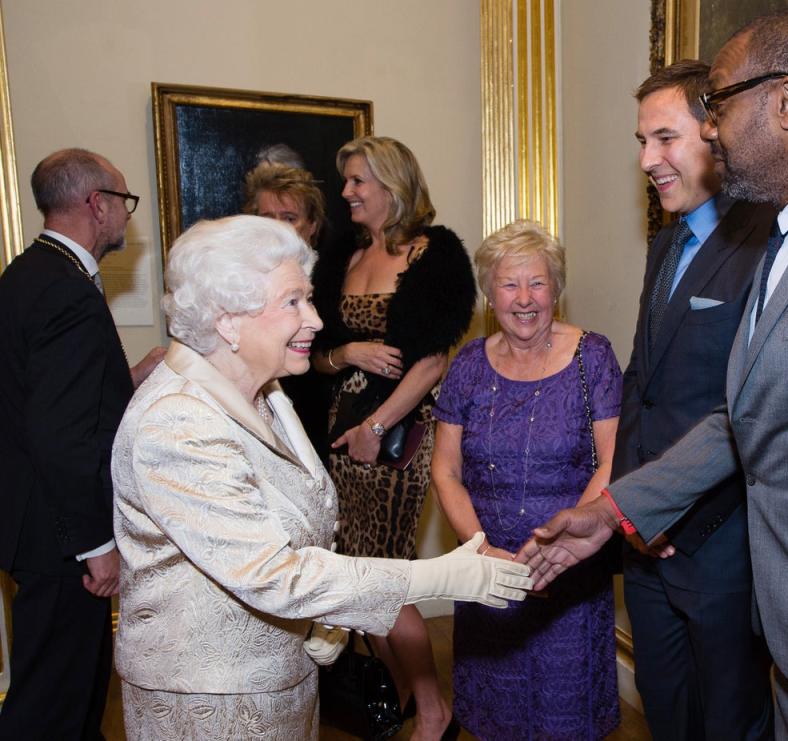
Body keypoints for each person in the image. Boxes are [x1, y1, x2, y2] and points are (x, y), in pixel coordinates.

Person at [518, 8, 788, 739]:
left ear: (786, 102)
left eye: (719, 102)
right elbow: (743, 413)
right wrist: (611, 511)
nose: (711, 128)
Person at [110, 215, 531, 740]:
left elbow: (299, 518)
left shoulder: (264, 392)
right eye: (293, 302)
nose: (314, 319)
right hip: (209, 700)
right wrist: (446, 576)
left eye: (309, 299)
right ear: (227, 320)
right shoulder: (177, 422)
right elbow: (274, 574)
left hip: (280, 681)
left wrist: (322, 619)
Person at [618, 60, 773, 740]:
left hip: (718, 547)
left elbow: (754, 412)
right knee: (665, 710)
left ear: (716, 132)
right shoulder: (665, 242)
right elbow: (641, 385)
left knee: (731, 721)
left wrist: (681, 521)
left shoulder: (769, 241)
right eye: (641, 142)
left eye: (664, 138)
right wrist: (630, 508)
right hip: (644, 548)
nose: (648, 160)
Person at [431, 219, 622, 740]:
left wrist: (562, 543)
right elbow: (445, 469)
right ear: (489, 293)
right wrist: (481, 550)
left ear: (556, 289)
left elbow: (611, 461)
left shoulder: (593, 357)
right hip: (486, 567)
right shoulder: (469, 364)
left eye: (537, 283)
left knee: (568, 714)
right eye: (509, 284)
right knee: (494, 713)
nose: (524, 298)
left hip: (570, 569)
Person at [312, 136, 476, 739]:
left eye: (358, 181)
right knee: (355, 575)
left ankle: (434, 712)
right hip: (341, 434)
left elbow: (432, 360)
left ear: (392, 184)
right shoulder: (344, 256)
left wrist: (374, 429)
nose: (347, 192)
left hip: (398, 433)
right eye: (347, 181)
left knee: (380, 576)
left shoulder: (434, 254)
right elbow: (317, 353)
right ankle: (404, 694)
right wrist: (345, 352)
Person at [0, 148, 164, 740]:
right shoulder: (66, 291)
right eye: (123, 201)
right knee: (52, 704)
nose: (127, 215)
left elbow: (44, 400)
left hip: (35, 521)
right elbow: (62, 438)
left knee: (72, 692)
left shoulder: (29, 274)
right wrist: (96, 544)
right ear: (97, 204)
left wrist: (130, 378)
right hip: (60, 533)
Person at [244, 161, 332, 456]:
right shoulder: (239, 280)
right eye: (268, 217)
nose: (278, 228)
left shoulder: (333, 277)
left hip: (319, 405)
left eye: (289, 217)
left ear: (312, 226)